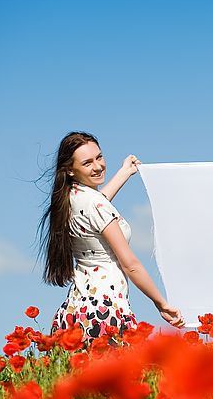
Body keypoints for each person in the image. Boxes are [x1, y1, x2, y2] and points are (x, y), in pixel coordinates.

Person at [38, 131, 184, 341]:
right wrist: (161, 303)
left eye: (99, 157)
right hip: (106, 311)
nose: (98, 166)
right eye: (87, 163)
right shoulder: (96, 205)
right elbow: (130, 265)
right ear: (70, 170)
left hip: (75, 313)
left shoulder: (70, 198)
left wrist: (124, 173)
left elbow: (99, 204)